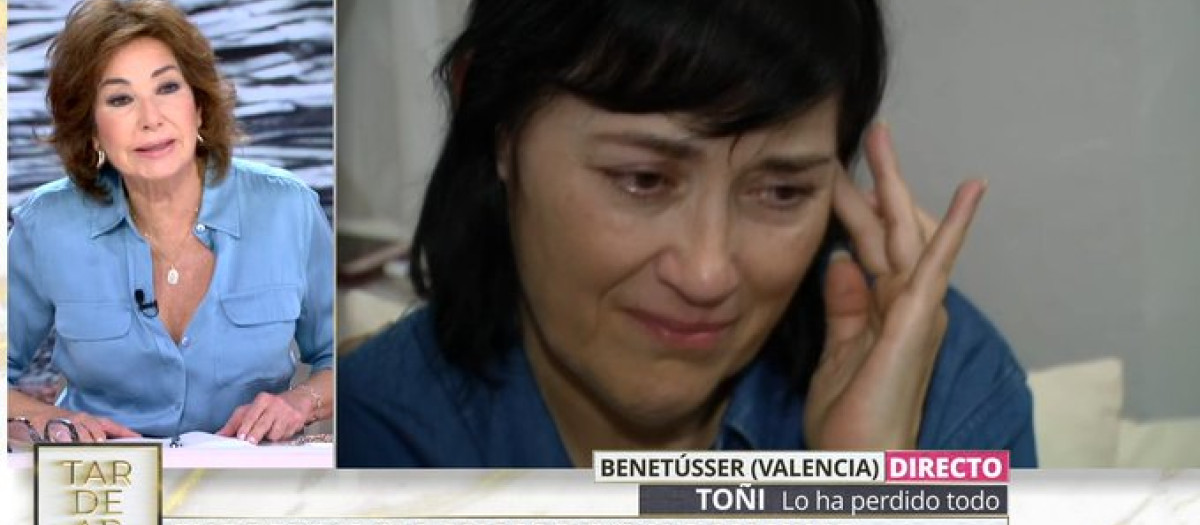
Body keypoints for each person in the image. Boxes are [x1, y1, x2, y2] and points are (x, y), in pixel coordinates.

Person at [337, 0, 1036, 467]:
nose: (707, 274)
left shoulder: (940, 382)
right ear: (496, 123)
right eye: (643, 179)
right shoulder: (374, 439)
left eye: (783, 191)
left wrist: (861, 490)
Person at [7, 0, 334, 445]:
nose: (151, 119)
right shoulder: (44, 226)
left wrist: (300, 402)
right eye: (120, 99)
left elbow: (343, 355)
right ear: (91, 128)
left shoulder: (288, 209)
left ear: (198, 106)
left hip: (248, 486)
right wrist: (42, 418)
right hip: (108, 489)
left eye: (167, 89)